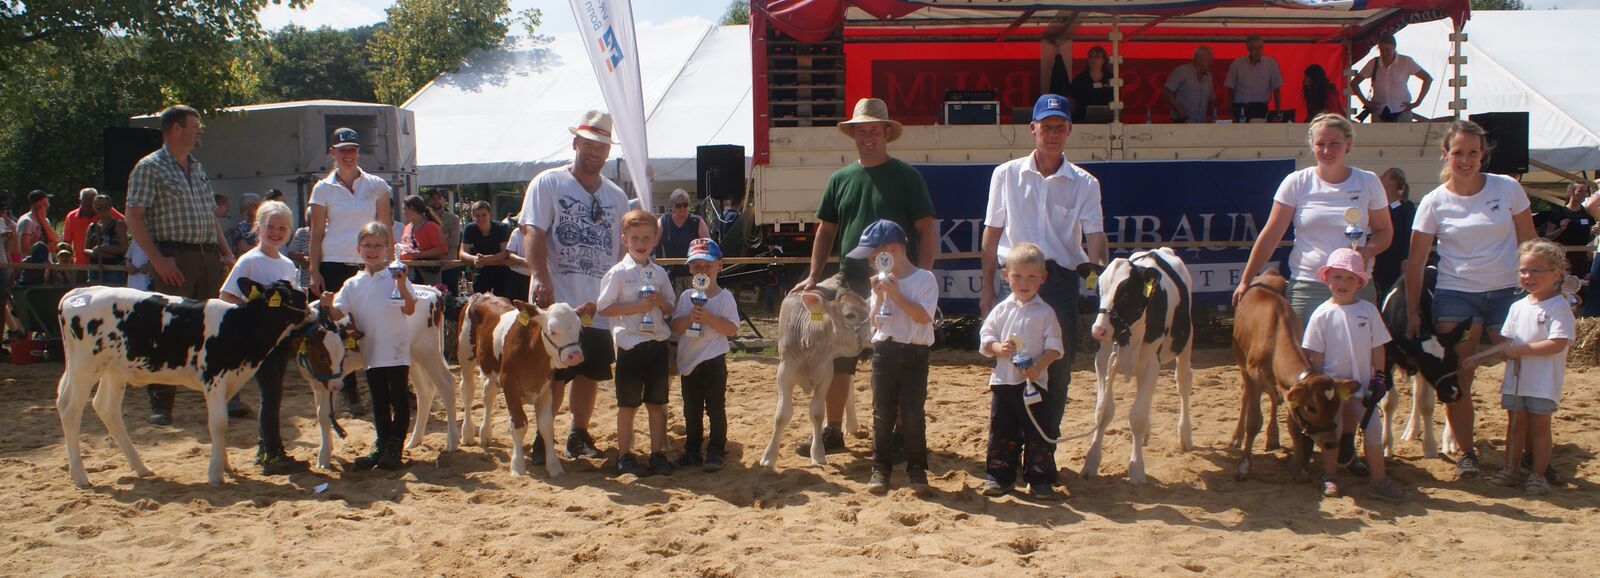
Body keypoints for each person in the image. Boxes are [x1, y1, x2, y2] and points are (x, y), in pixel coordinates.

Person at [789, 97, 937, 456]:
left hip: (896, 281)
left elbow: (927, 229)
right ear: (853, 134)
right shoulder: (840, 179)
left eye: (873, 129)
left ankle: (901, 432)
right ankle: (833, 429)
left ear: (886, 132)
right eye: (861, 130)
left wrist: (923, 277)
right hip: (849, 276)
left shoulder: (907, 176)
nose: (867, 136)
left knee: (898, 354)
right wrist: (812, 276)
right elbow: (826, 231)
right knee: (833, 350)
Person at [980, 94, 1108, 469]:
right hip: (1014, 282)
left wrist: (1099, 281)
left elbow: (1095, 237)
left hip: (1060, 283)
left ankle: (1041, 456)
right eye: (1046, 126)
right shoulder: (1005, 175)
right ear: (1033, 128)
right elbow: (991, 236)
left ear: (1069, 130)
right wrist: (988, 287)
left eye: (1060, 127)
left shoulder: (1085, 183)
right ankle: (1003, 460)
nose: (1052, 134)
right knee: (1008, 368)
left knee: (1057, 369)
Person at [1403, 119, 1536, 480]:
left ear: (1483, 155)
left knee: (1523, 369)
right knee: (1460, 373)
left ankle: (1526, 453)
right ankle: (1466, 453)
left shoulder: (1507, 189)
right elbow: (1415, 263)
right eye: (1458, 152)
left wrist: (1542, 292)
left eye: (1473, 153)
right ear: (1445, 154)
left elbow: (1530, 243)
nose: (1465, 160)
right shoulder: (1433, 201)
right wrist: (1413, 311)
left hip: (1508, 293)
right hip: (1456, 295)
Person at [520, 110, 629, 463]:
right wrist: (539, 276)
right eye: (589, 144)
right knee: (554, 373)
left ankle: (577, 434)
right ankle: (542, 435)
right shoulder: (548, 183)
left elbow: (622, 247)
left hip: (596, 302)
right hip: (558, 302)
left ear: (608, 151)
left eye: (602, 146)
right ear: (576, 143)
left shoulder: (616, 196)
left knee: (590, 372)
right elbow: (532, 230)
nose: (595, 151)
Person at [124, 105, 242, 425]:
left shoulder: (198, 166)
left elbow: (209, 215)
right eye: (194, 126)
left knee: (218, 325)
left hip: (207, 257)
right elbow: (134, 216)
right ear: (176, 129)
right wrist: (157, 260)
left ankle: (227, 396)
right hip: (174, 257)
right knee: (170, 329)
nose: (199, 130)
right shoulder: (149, 167)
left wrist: (226, 252)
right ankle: (161, 403)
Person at [1233, 114, 1394, 324]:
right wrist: (1246, 280)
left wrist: (1367, 252)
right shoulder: (1296, 182)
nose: (1327, 151)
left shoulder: (1368, 182)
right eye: (1320, 144)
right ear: (1312, 146)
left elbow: (1385, 232)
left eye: (1334, 143)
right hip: (1307, 287)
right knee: (1303, 356)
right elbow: (1271, 235)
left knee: (1359, 354)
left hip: (1355, 286)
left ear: (1348, 145)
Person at [1301, 248, 1408, 501]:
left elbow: (1377, 346)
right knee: (1333, 432)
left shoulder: (1368, 311)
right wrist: (1318, 384)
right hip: (1332, 390)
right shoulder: (1321, 314)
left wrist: (1379, 376)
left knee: (1373, 429)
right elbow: (1314, 354)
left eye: (1350, 279)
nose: (1343, 284)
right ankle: (1329, 476)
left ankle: (1379, 479)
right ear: (1327, 278)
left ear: (1360, 283)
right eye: (1338, 277)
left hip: (1362, 386)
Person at [218, 200, 309, 475]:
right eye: (271, 226)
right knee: (270, 393)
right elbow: (226, 296)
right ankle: (272, 454)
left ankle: (265, 448)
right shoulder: (249, 261)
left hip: (280, 340)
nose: (276, 232)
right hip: (260, 341)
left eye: (283, 228)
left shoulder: (287, 265)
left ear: (290, 231)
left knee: (275, 392)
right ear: (259, 227)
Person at [309, 126, 391, 416]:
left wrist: (389, 266)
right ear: (332, 152)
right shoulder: (322, 188)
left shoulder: (377, 185)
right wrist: (313, 269)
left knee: (376, 322)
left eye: (353, 149)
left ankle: (387, 382)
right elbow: (317, 232)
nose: (348, 154)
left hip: (368, 261)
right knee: (337, 327)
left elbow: (385, 228)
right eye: (342, 150)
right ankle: (350, 390)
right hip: (333, 262)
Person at [1481, 239, 1573, 496]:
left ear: (1556, 273)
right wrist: (1480, 357)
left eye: (1535, 270)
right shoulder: (1517, 306)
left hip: (1542, 382)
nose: (1528, 276)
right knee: (1515, 424)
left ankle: (1537, 475)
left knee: (1540, 427)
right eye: (1523, 270)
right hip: (1516, 379)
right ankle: (1510, 470)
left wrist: (1519, 351)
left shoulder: (1558, 306)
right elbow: (1508, 341)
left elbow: (1557, 343)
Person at [323, 222, 416, 471]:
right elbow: (337, 314)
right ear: (359, 249)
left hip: (396, 350)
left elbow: (409, 308)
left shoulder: (395, 275)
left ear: (387, 248)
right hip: (371, 352)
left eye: (378, 245)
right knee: (378, 400)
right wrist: (328, 304)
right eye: (367, 246)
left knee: (398, 397)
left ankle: (395, 444)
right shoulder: (353, 284)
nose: (372, 250)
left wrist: (403, 283)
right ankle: (381, 442)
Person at [854, 220, 938, 495]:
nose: (869, 259)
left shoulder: (924, 278)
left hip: (915, 353)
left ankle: (917, 469)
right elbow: (875, 323)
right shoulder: (879, 281)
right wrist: (879, 297)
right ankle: (880, 468)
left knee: (913, 413)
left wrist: (895, 294)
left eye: (872, 253)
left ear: (891, 250)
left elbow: (924, 317)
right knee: (882, 414)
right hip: (885, 352)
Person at [978, 243, 1064, 500]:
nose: (1023, 282)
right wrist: (997, 347)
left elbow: (1055, 349)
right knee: (1001, 430)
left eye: (1031, 277)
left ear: (1043, 277)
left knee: (1037, 431)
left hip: (1034, 385)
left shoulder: (1047, 313)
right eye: (1017, 276)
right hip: (1004, 382)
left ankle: (1039, 480)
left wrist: (1038, 367)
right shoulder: (1001, 310)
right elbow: (986, 339)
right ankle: (998, 477)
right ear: (1006, 275)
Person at [597, 209, 677, 477]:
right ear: (624, 240)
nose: (640, 243)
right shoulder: (617, 274)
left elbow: (670, 307)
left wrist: (659, 302)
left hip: (656, 344)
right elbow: (604, 308)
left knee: (657, 403)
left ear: (655, 239)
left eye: (646, 238)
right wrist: (637, 306)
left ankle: (657, 455)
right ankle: (623, 456)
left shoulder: (659, 273)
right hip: (630, 346)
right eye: (635, 238)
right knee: (627, 405)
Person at [670, 238, 739, 473]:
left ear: (719, 265)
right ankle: (691, 450)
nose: (702, 270)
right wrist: (689, 317)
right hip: (689, 361)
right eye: (696, 266)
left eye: (707, 265)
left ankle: (717, 450)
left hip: (713, 360)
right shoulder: (686, 296)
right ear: (690, 269)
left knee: (716, 408)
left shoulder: (725, 297)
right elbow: (676, 327)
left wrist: (708, 317)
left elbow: (732, 329)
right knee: (691, 408)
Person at [1351, 34, 1432, 123]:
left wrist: (1418, 102)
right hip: (1378, 110)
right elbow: (1354, 83)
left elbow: (1427, 78)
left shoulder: (1406, 61)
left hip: (1402, 109)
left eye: (1388, 50)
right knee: (1379, 137)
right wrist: (1365, 102)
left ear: (1394, 48)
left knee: (1404, 136)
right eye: (1382, 50)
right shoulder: (1373, 63)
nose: (1385, 53)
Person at [1372, 168, 1416, 298]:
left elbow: (1408, 234)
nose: (1380, 177)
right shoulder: (1379, 206)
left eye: (1384, 176)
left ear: (1392, 182)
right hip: (1379, 255)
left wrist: (1405, 258)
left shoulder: (1406, 207)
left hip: (1395, 258)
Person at [1536, 181, 1593, 279]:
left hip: (1581, 256)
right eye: (1580, 191)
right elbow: (1548, 237)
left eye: (1585, 191)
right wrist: (1561, 229)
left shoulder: (1586, 213)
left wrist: (1594, 232)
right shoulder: (1559, 213)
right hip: (1563, 256)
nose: (1583, 194)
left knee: (1579, 285)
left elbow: (1588, 238)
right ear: (1570, 192)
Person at [656, 188, 709, 291]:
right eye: (678, 205)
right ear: (672, 206)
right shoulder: (664, 220)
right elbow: (653, 241)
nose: (682, 208)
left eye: (685, 205)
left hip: (693, 275)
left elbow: (708, 246)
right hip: (670, 276)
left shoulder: (697, 221)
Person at [1225, 35, 1283, 122]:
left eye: (1260, 48)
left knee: (1260, 135)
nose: (1258, 51)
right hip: (1240, 108)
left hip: (1260, 109)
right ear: (1248, 49)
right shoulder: (1237, 64)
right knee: (1239, 135)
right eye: (1254, 48)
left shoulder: (1270, 64)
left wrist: (1277, 113)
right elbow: (1230, 90)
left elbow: (1276, 89)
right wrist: (1230, 114)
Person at [459, 200, 511, 295]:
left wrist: (486, 259)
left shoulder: (501, 228)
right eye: (477, 216)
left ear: (490, 214)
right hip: (481, 269)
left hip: (500, 268)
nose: (480, 218)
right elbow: (462, 254)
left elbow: (505, 253)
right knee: (478, 299)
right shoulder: (469, 228)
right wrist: (474, 259)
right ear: (472, 216)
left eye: (484, 215)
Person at [63, 187, 123, 265]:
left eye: (92, 205)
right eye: (86, 206)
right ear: (80, 201)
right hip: (81, 264)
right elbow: (67, 242)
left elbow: (127, 225)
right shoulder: (71, 217)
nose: (89, 209)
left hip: (109, 264)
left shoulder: (107, 211)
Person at [397, 194, 446, 288]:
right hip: (409, 272)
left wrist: (419, 255)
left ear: (411, 208)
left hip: (427, 275)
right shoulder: (407, 227)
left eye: (404, 209)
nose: (403, 212)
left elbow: (441, 249)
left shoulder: (431, 226)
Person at [1162, 46, 1216, 124]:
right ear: (1199, 59)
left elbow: (1210, 100)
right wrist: (1180, 112)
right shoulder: (1181, 71)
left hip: (1201, 124)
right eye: (1209, 60)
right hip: (1182, 122)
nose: (1211, 62)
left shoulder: (1208, 77)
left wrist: (1214, 117)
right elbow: (1166, 93)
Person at [84, 194, 129, 285]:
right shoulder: (93, 226)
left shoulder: (118, 224)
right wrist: (95, 252)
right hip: (95, 267)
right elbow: (85, 249)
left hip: (113, 268)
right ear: (94, 208)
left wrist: (103, 248)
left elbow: (124, 248)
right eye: (99, 207)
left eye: (105, 206)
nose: (102, 209)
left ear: (110, 207)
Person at [426, 189, 463, 294]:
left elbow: (454, 242)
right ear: (429, 201)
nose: (436, 200)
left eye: (439, 198)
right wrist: (444, 237)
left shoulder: (453, 219)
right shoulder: (425, 219)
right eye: (433, 198)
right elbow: (423, 244)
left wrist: (434, 241)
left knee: (451, 300)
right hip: (428, 268)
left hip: (449, 266)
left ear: (444, 200)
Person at [1068, 46, 1115, 122]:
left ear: (1103, 60)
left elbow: (1117, 99)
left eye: (1097, 56)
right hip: (1081, 122)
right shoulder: (1079, 79)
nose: (1093, 59)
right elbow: (1071, 100)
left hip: (1107, 123)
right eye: (1090, 56)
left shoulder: (1111, 78)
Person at [502, 217, 532, 301]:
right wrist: (522, 261)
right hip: (515, 275)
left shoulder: (539, 234)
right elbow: (510, 253)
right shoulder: (516, 232)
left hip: (531, 277)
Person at [16, 190, 55, 255]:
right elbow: (24, 250)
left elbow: (55, 239)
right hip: (31, 264)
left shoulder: (45, 220)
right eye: (47, 200)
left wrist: (43, 220)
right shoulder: (26, 221)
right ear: (41, 202)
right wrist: (46, 249)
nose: (48, 204)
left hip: (46, 263)